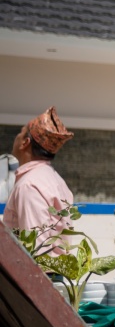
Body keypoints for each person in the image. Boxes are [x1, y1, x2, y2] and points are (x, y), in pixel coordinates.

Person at [4, 107, 75, 252]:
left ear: (25, 143)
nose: (17, 136)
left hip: (37, 274)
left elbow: (35, 251)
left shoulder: (29, 185)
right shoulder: (54, 179)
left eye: (21, 132)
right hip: (54, 272)